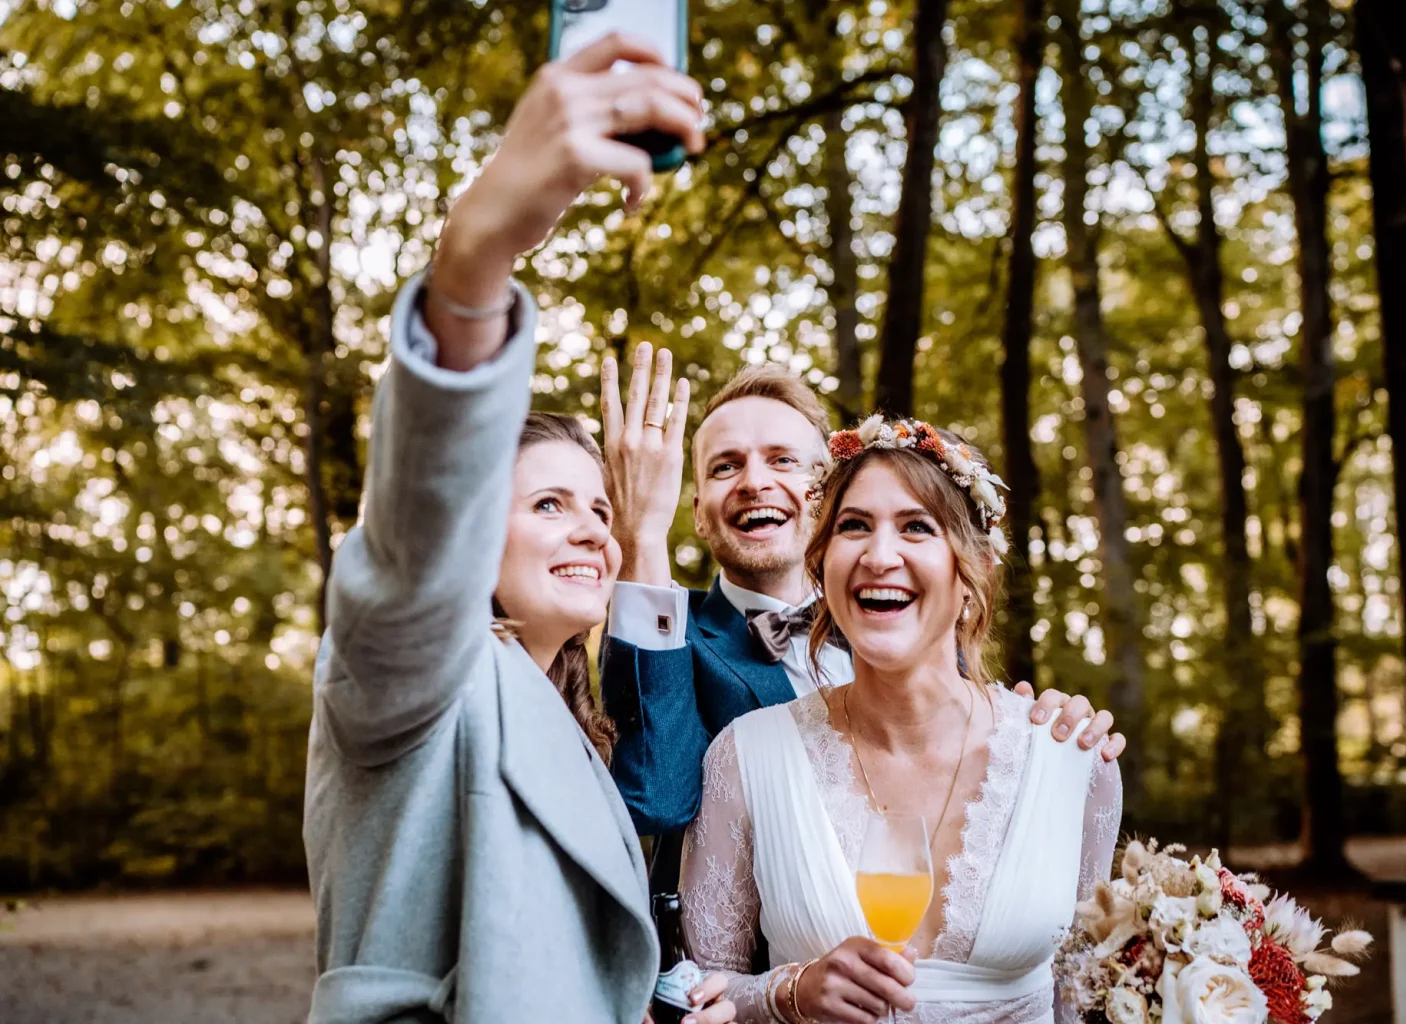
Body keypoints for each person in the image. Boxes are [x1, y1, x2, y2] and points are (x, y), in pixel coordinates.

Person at [302, 34, 738, 1024]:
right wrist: (475, 265)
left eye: (597, 508)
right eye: (548, 504)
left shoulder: (576, 722)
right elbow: (412, 550)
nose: (593, 531)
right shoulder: (411, 678)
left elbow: (647, 830)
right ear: (468, 538)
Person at [678, 416, 1123, 1023]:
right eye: (854, 526)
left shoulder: (1072, 756)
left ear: (974, 571)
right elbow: (700, 991)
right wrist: (790, 993)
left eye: (917, 527)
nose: (879, 555)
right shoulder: (746, 756)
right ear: (823, 565)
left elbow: (1088, 1002)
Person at [599, 353, 1127, 840]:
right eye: (725, 466)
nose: (753, 482)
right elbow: (657, 803)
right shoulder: (662, 636)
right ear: (695, 510)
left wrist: (1047, 732)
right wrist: (641, 535)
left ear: (828, 497)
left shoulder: (905, 615)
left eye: (782, 460)